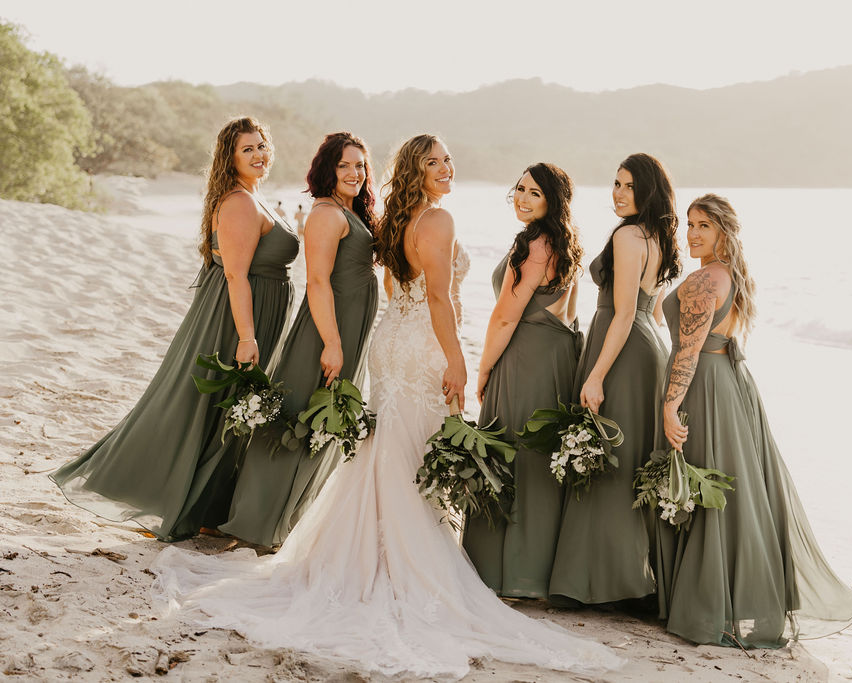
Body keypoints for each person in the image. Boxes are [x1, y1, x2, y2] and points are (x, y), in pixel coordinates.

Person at [150, 135, 622, 680]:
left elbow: (404, 289)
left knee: (390, 451)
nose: (447, 167)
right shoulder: (438, 221)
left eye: (448, 158)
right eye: (435, 161)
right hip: (420, 343)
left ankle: (362, 559)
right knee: (408, 450)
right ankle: (402, 565)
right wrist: (458, 360)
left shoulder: (397, 220)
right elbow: (440, 299)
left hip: (392, 338)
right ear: (417, 171)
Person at [50, 116, 299, 541]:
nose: (258, 155)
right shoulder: (239, 202)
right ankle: (175, 502)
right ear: (230, 158)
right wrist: (246, 336)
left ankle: (208, 509)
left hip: (255, 313)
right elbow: (237, 276)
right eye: (247, 149)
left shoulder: (256, 198)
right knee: (209, 407)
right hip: (238, 319)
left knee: (229, 409)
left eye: (261, 146)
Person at [658, 193, 852, 648]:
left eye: (703, 227)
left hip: (707, 387)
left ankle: (709, 604)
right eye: (689, 224)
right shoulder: (730, 275)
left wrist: (670, 405)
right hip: (733, 384)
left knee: (708, 490)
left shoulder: (705, 281)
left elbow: (688, 353)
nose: (691, 233)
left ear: (723, 233)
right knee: (734, 492)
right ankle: (734, 603)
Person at [217, 132, 379, 547]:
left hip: (347, 328)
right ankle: (253, 524)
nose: (354, 172)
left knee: (320, 421)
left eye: (360, 165)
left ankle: (283, 522)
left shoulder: (348, 210)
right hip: (328, 330)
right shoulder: (326, 213)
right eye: (344, 165)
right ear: (327, 169)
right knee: (296, 419)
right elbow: (319, 283)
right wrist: (332, 342)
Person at [548, 153, 680, 606]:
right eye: (616, 183)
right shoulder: (657, 236)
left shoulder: (627, 235)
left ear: (647, 191)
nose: (618, 193)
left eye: (628, 185)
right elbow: (654, 310)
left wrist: (597, 375)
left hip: (621, 350)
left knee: (609, 462)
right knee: (628, 461)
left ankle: (602, 584)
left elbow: (624, 314)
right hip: (646, 349)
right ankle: (631, 579)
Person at [463, 163, 583, 598]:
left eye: (534, 192)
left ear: (553, 200)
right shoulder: (564, 242)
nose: (523, 198)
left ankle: (507, 575)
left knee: (511, 452)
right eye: (519, 189)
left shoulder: (532, 242)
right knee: (540, 460)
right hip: (555, 357)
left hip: (526, 356)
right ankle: (535, 573)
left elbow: (505, 315)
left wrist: (483, 369)